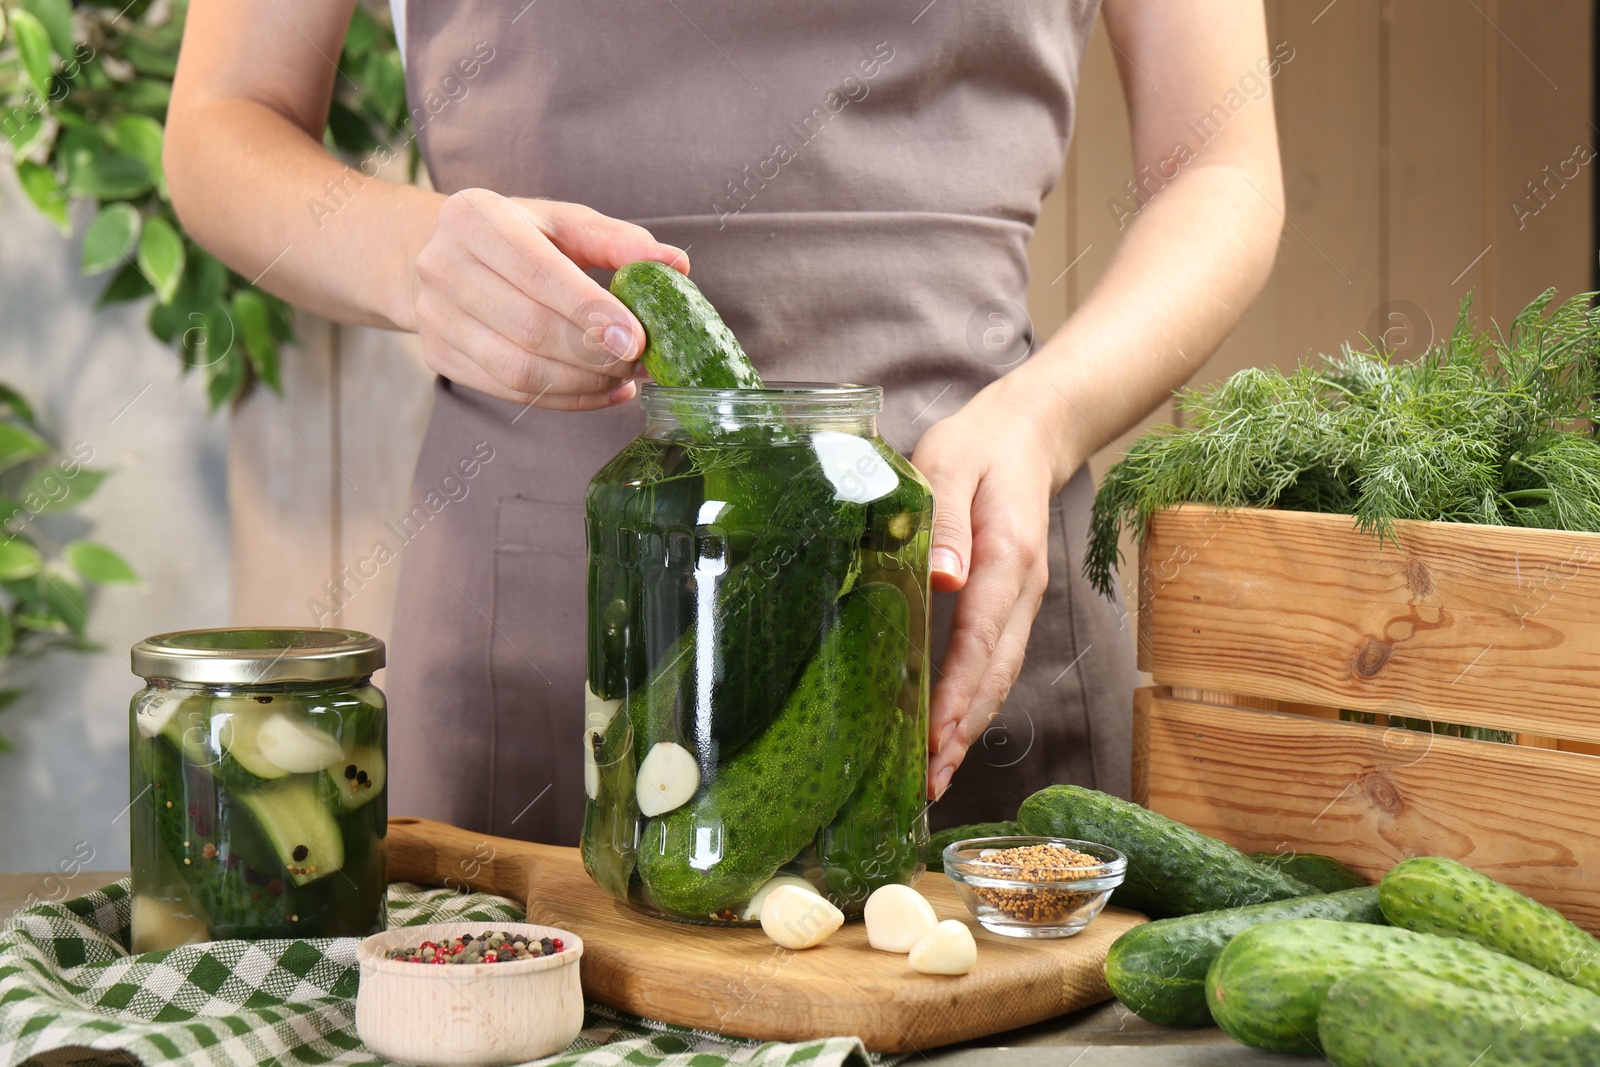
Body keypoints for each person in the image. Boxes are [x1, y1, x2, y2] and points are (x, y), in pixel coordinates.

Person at [164, 0, 1284, 842]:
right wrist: (410, 257)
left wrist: (1045, 418)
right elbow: (223, 120)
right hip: (546, 632)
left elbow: (1220, 164)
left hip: (963, 585)